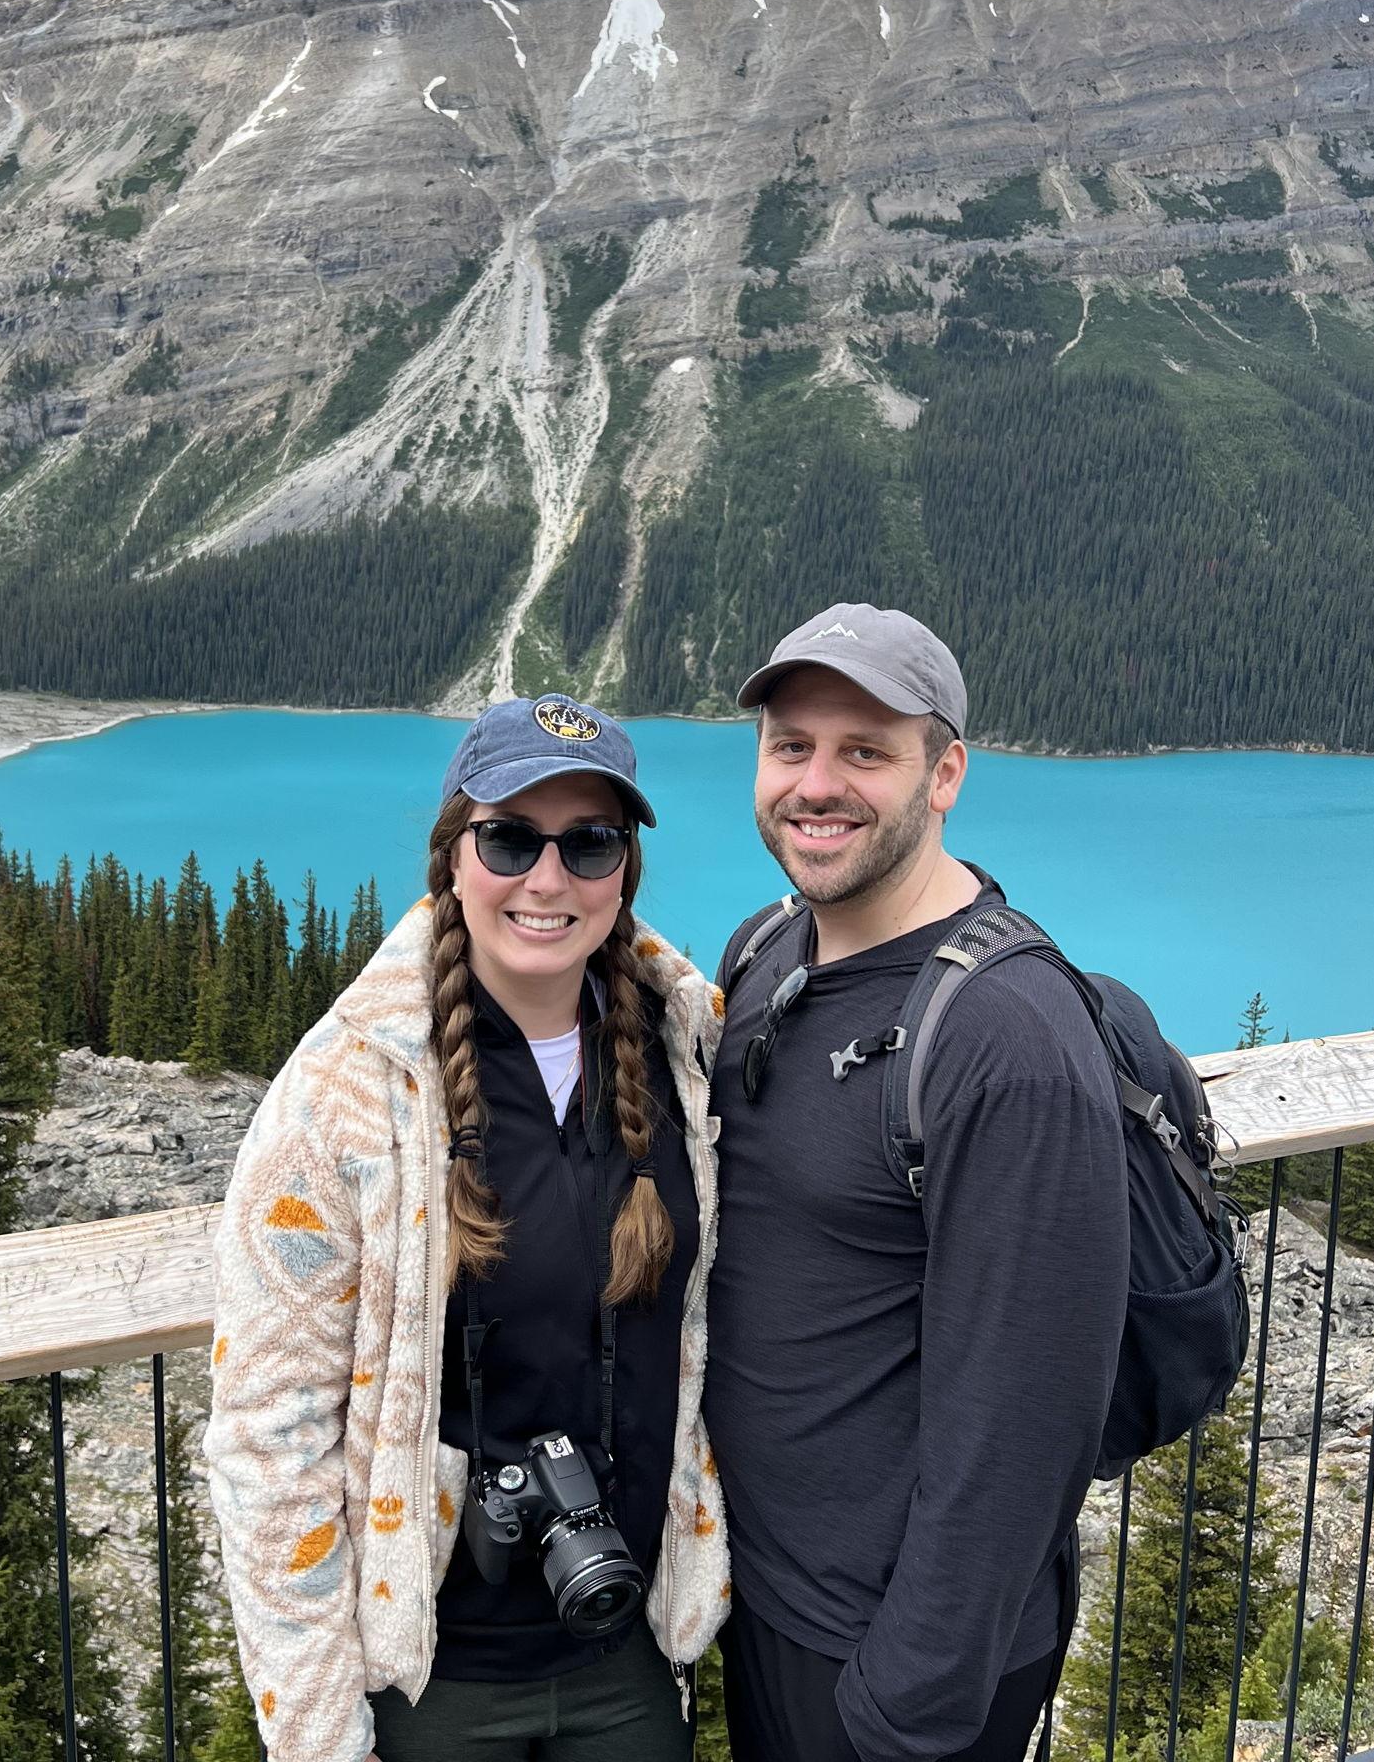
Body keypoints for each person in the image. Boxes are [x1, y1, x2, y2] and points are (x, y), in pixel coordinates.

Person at [207, 693, 730, 1762]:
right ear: (452, 855)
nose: (547, 879)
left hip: (624, 1649)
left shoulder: (687, 1049)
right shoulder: (343, 1094)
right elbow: (269, 1437)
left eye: (589, 842)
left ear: (624, 871)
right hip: (432, 1680)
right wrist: (314, 1732)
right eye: (508, 837)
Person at [705, 603, 1131, 1762]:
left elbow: (1027, 1419)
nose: (815, 783)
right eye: (790, 744)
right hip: (767, 1598)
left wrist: (905, 1702)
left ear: (943, 772)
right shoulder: (765, 948)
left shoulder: (1004, 1036)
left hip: (895, 1662)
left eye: (864, 751)